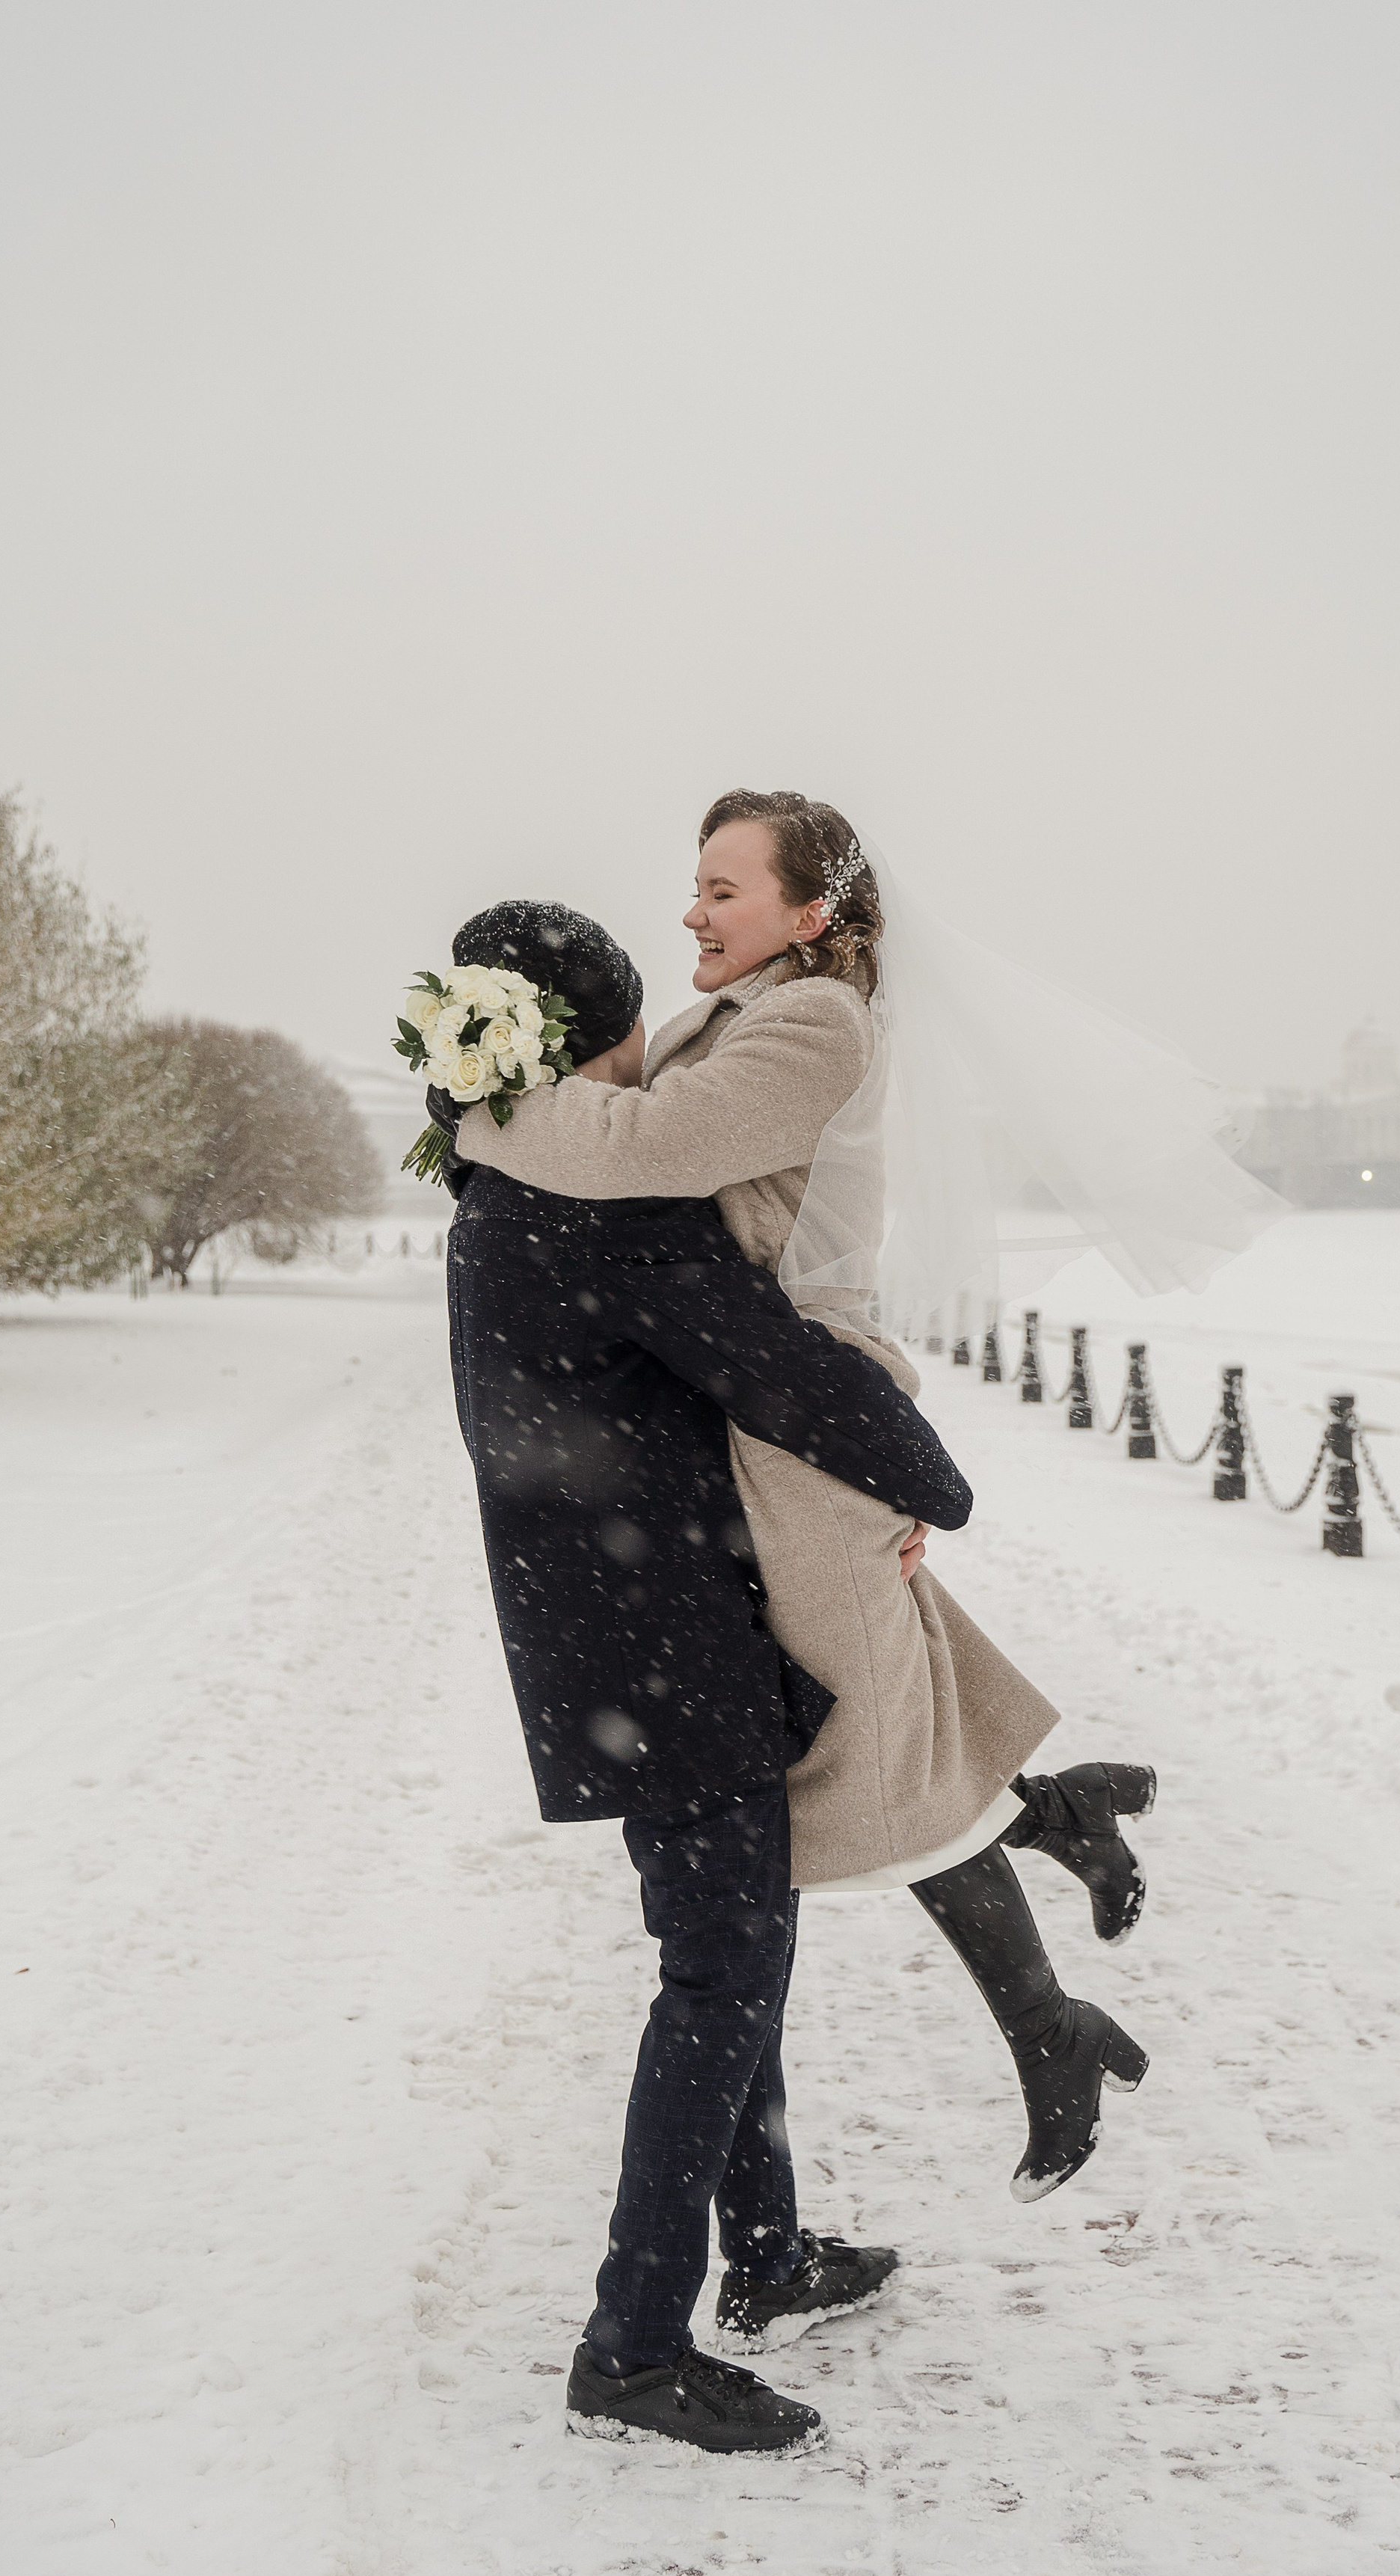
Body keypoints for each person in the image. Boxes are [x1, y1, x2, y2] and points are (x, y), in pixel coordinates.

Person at [451, 796, 1274, 2222]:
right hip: (754, 1392)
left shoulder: (817, 1022)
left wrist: (484, 1096)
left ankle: (1048, 1950)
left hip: (803, 1396)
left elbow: (645, 1152)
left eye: (721, 889)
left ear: (811, 910)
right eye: (690, 887)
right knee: (862, 1726)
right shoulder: (754, 1009)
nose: (693, 914)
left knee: (856, 1741)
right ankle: (1054, 1850)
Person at [439, 899, 977, 2456]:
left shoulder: (493, 1185)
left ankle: (768, 2253)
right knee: (720, 1975)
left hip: (600, 1634)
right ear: (593, 1040)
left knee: (729, 1949)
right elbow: (781, 1369)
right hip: (661, 1642)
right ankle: (630, 2344)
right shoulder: (600, 1213)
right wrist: (932, 1486)